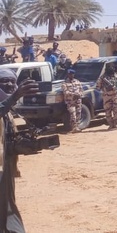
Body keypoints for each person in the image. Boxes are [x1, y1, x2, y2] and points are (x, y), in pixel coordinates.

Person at [0, 69, 39, 232]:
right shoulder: (5, 106)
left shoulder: (8, 111)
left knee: (7, 207)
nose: (10, 84)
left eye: (12, 81)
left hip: (5, 167)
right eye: (4, 81)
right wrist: (15, 96)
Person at [98, 65, 117, 130]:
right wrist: (105, 88)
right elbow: (98, 86)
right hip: (106, 96)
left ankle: (116, 124)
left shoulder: (116, 76)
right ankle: (111, 124)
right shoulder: (102, 77)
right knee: (108, 111)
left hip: (115, 95)